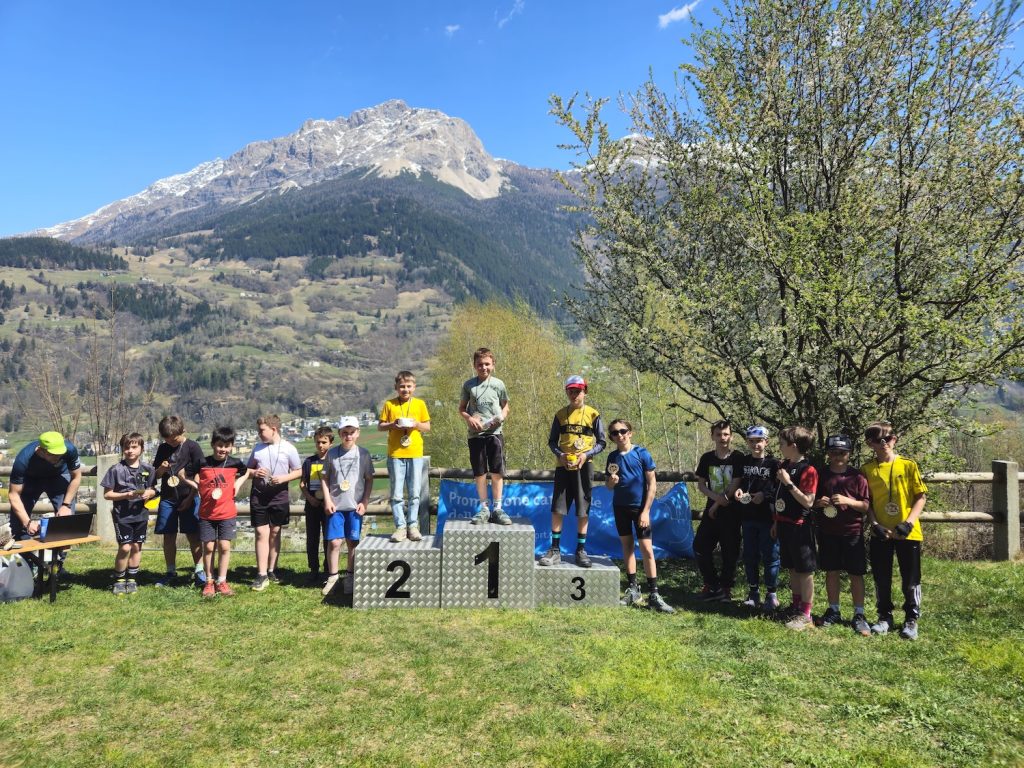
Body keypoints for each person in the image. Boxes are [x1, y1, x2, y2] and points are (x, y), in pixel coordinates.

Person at [861, 422, 927, 640]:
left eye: (888, 438)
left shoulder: (908, 465)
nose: (884, 443)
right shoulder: (867, 470)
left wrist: (908, 523)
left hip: (908, 532)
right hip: (881, 532)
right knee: (882, 577)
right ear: (870, 444)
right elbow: (867, 503)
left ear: (894, 440)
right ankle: (884, 616)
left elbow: (920, 497)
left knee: (911, 578)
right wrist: (874, 525)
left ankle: (911, 618)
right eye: (878, 440)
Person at [605, 419, 674, 613]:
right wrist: (612, 481)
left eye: (623, 431)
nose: (619, 435)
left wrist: (645, 511)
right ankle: (633, 589)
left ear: (630, 432)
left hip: (640, 509)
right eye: (615, 433)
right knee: (627, 547)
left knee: (647, 550)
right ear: (611, 437)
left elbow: (652, 484)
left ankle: (654, 594)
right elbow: (608, 486)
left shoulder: (642, 453)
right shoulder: (612, 457)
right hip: (620, 508)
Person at [538, 375, 606, 568]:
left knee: (583, 509)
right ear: (566, 392)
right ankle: (555, 550)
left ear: (585, 391)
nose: (574, 394)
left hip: (584, 467)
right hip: (563, 467)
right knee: (558, 508)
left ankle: (580, 550)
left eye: (578, 391)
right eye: (571, 391)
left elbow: (602, 442)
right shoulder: (560, 414)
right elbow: (552, 441)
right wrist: (560, 455)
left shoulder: (593, 414)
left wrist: (586, 454)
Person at [181, 426, 250, 597]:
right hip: (207, 514)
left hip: (227, 513)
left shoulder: (234, 463)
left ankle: (222, 581)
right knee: (209, 547)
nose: (223, 449)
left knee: (224, 546)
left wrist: (237, 484)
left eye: (227, 446)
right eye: (219, 445)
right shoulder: (202, 463)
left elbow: (246, 472)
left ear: (232, 446)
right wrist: (198, 487)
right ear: (213, 444)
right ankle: (209, 581)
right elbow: (184, 474)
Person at [813, 434, 872, 636]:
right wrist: (818, 503)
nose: (838, 456)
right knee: (831, 571)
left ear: (849, 454)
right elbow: (811, 501)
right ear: (828, 454)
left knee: (856, 573)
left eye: (842, 452)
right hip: (828, 532)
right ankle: (833, 610)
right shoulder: (821, 475)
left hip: (852, 532)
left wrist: (848, 501)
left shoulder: (857, 477)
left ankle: (859, 613)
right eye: (834, 452)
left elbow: (866, 506)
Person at [8, 431, 84, 573]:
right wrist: (27, 522)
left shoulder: (69, 449)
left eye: (60, 454)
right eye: (54, 455)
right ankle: (28, 566)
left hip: (58, 477)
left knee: (66, 521)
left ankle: (57, 566)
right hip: (30, 480)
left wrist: (66, 505)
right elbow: (13, 495)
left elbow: (76, 477)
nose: (58, 457)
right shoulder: (23, 460)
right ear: (41, 451)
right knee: (18, 524)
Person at [727, 425, 780, 612]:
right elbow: (739, 482)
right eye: (752, 441)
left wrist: (764, 496)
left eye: (759, 441)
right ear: (747, 442)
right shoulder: (744, 461)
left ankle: (772, 594)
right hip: (747, 516)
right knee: (750, 555)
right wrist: (739, 491)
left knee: (771, 556)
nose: (755, 444)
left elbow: (779, 488)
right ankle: (753, 592)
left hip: (767, 517)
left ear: (766, 442)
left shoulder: (774, 464)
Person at [246, 414, 302, 591]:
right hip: (259, 496)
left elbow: (298, 470)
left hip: (279, 496)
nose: (259, 434)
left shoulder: (289, 448)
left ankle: (271, 569)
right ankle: (261, 574)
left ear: (273, 429)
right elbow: (247, 470)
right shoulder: (257, 448)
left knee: (275, 532)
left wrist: (283, 478)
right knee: (261, 533)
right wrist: (255, 473)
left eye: (262, 430)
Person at [321, 416, 374, 596]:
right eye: (345, 432)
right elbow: (324, 478)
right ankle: (333, 577)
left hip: (354, 506)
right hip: (336, 506)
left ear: (358, 433)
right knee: (334, 542)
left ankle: (350, 576)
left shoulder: (364, 454)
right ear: (339, 434)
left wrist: (365, 501)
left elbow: (369, 479)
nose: (348, 436)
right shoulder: (331, 454)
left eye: (352, 432)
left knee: (353, 541)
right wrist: (327, 500)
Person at [773, 426, 819, 631]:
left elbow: (808, 502)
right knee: (792, 567)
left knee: (805, 570)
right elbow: (778, 497)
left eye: (782, 444)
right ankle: (796, 606)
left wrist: (789, 483)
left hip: (800, 526)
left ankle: (806, 614)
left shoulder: (808, 470)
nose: (780, 447)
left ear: (793, 446)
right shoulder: (783, 465)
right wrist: (776, 522)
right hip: (783, 524)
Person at [151, 415, 206, 587]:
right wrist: (162, 469)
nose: (171, 443)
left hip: (189, 496)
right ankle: (170, 572)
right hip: (168, 498)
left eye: (174, 439)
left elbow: (200, 475)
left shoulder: (193, 447)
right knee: (168, 535)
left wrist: (190, 498)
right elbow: (156, 475)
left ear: (183, 431)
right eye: (167, 439)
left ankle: (199, 571)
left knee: (193, 535)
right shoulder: (163, 448)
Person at [100, 432, 157, 595]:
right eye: (126, 447)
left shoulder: (148, 469)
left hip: (141, 514)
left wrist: (150, 493)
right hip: (122, 515)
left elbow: (153, 489)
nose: (130, 450)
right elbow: (107, 494)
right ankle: (119, 579)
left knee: (136, 547)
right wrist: (126, 495)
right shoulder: (115, 470)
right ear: (122, 449)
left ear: (141, 449)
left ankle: (132, 579)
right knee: (125, 547)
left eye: (134, 447)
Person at [459, 347, 511, 525]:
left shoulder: (499, 384)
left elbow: (506, 406)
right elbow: (462, 409)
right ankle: (484, 508)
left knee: (497, 471)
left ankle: (497, 508)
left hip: (495, 434)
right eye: (480, 364)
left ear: (493, 365)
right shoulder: (469, 385)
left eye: (487, 364)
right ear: (475, 365)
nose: (484, 367)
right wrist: (469, 419)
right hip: (476, 435)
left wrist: (502, 416)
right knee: (480, 473)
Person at [378, 370, 431, 543]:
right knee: (396, 494)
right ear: (396, 387)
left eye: (408, 386)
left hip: (415, 453)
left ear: (414, 387)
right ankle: (400, 527)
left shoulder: (420, 404)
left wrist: (416, 424)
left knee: (415, 492)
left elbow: (427, 426)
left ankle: (412, 526)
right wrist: (393, 425)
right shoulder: (389, 404)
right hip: (395, 454)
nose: (405, 389)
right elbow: (380, 426)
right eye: (402, 386)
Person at [692, 420, 741, 600]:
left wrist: (718, 503)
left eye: (726, 434)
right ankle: (712, 584)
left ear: (731, 436)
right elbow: (701, 485)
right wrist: (715, 499)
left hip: (732, 511)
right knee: (700, 546)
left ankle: (726, 588)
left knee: (730, 551)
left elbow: (736, 483)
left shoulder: (737, 457)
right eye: (719, 434)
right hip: (711, 511)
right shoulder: (707, 458)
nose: (722, 438)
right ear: (712, 436)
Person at [300, 426, 334, 584]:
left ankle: (328, 570)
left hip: (328, 506)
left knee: (329, 538)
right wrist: (309, 498)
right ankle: (313, 569)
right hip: (312, 506)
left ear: (331, 443)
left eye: (324, 442)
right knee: (312, 539)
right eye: (318, 442)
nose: (320, 445)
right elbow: (302, 484)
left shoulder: (333, 461)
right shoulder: (309, 461)